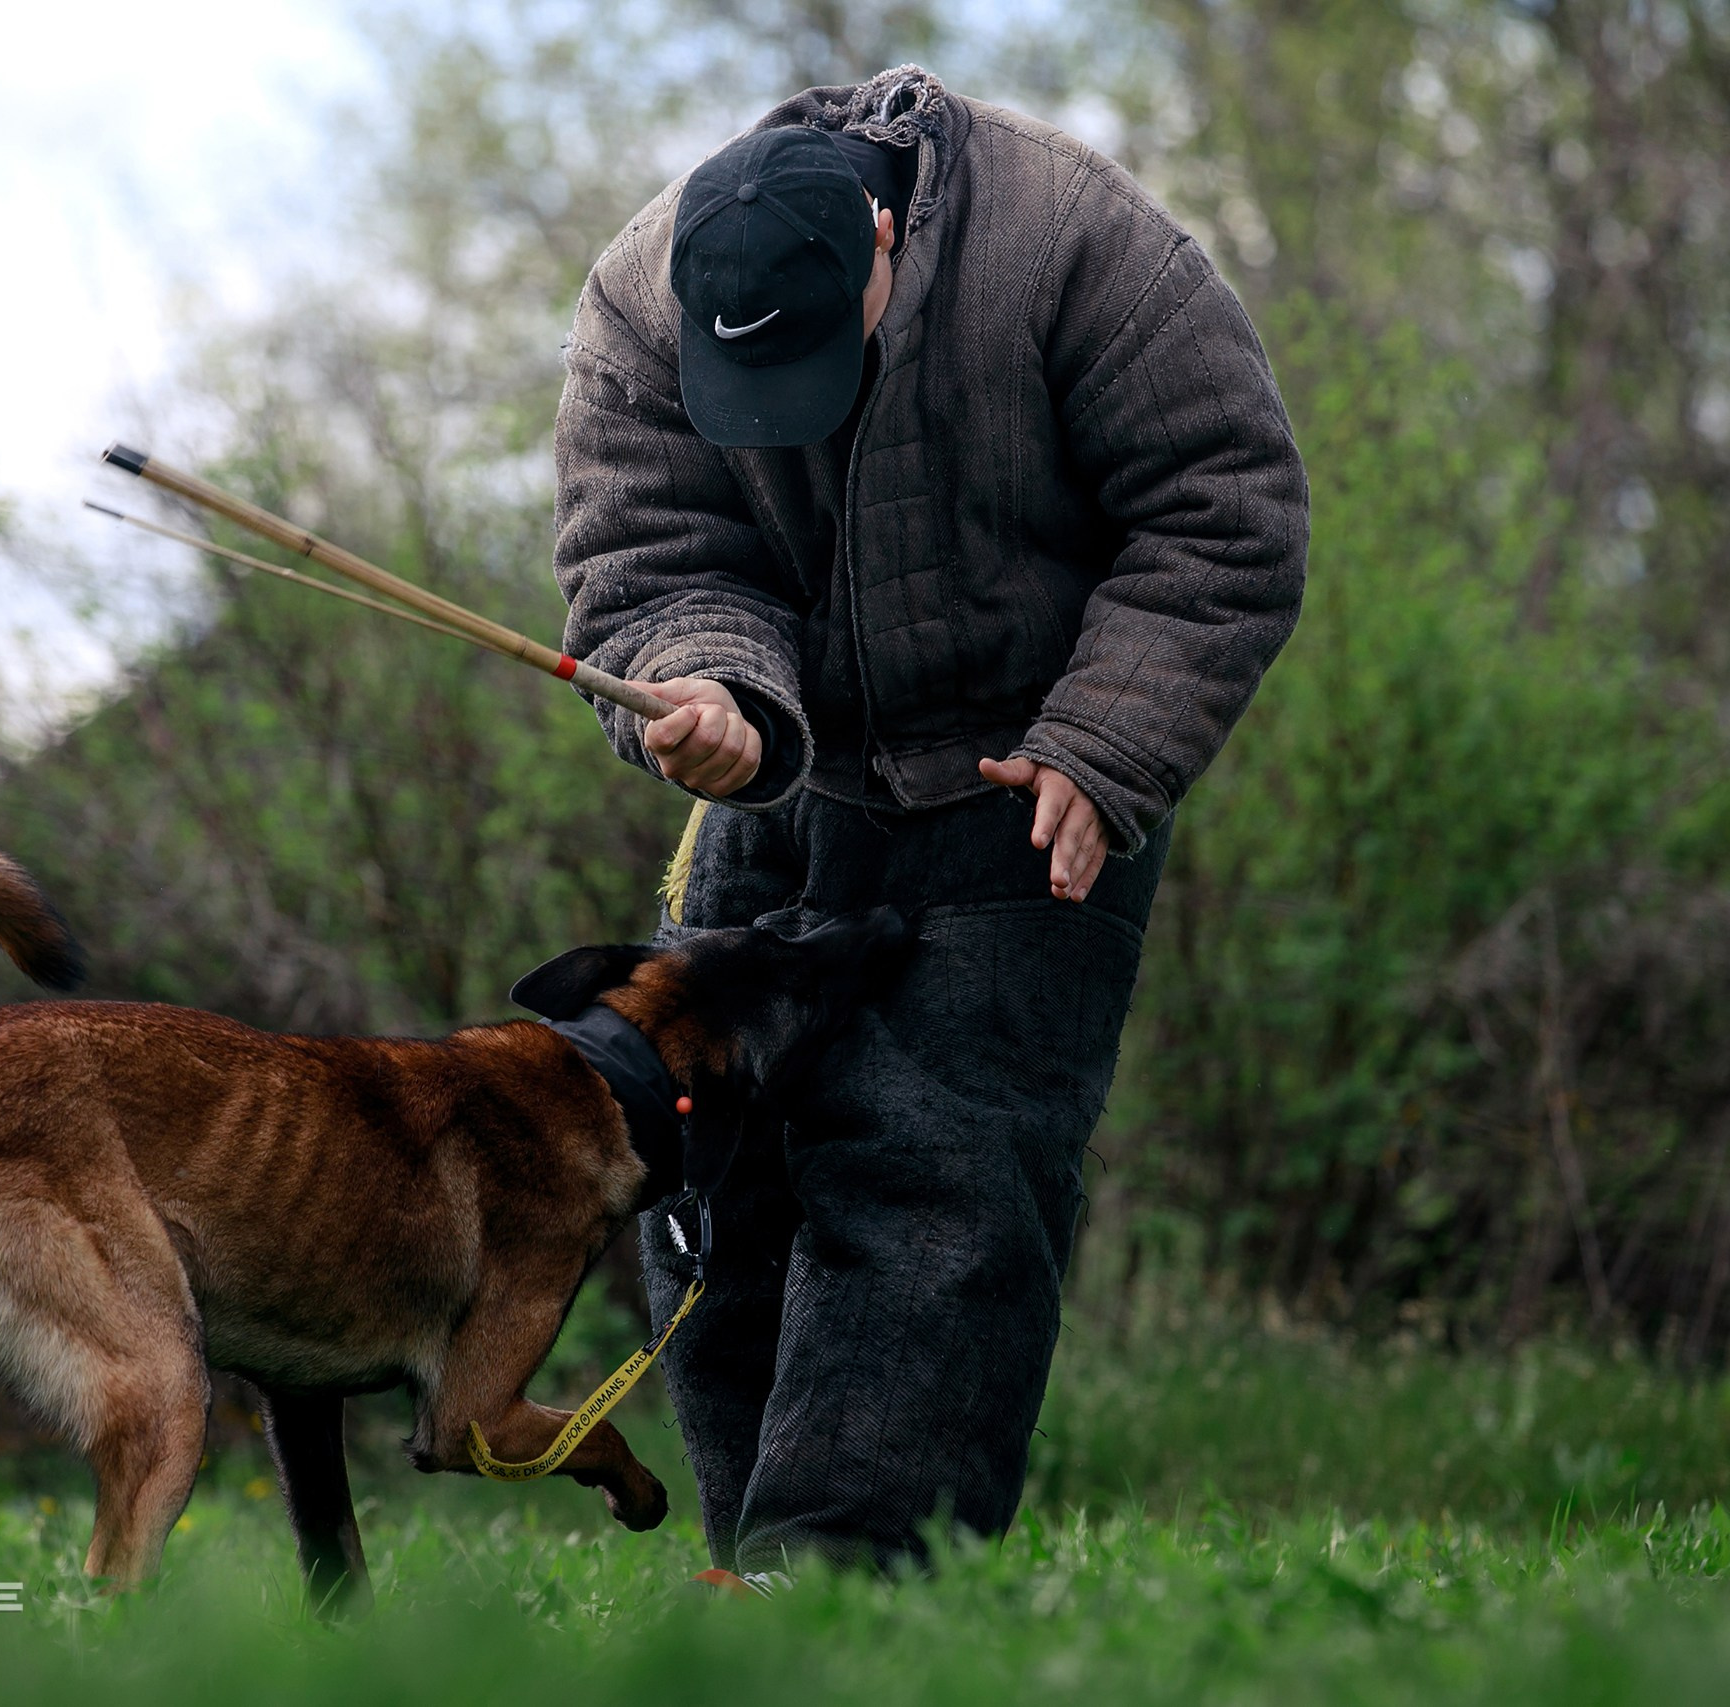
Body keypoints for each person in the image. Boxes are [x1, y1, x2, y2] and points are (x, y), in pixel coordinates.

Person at [551, 65, 1309, 1581]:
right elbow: (644, 552)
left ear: (885, 237)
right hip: (790, 778)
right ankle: (750, 1570)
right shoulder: (639, 299)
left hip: (1031, 776)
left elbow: (1226, 513)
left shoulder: (1083, 248)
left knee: (937, 1181)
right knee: (712, 1168)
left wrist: (1105, 748)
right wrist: (710, 696)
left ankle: (847, 1582)